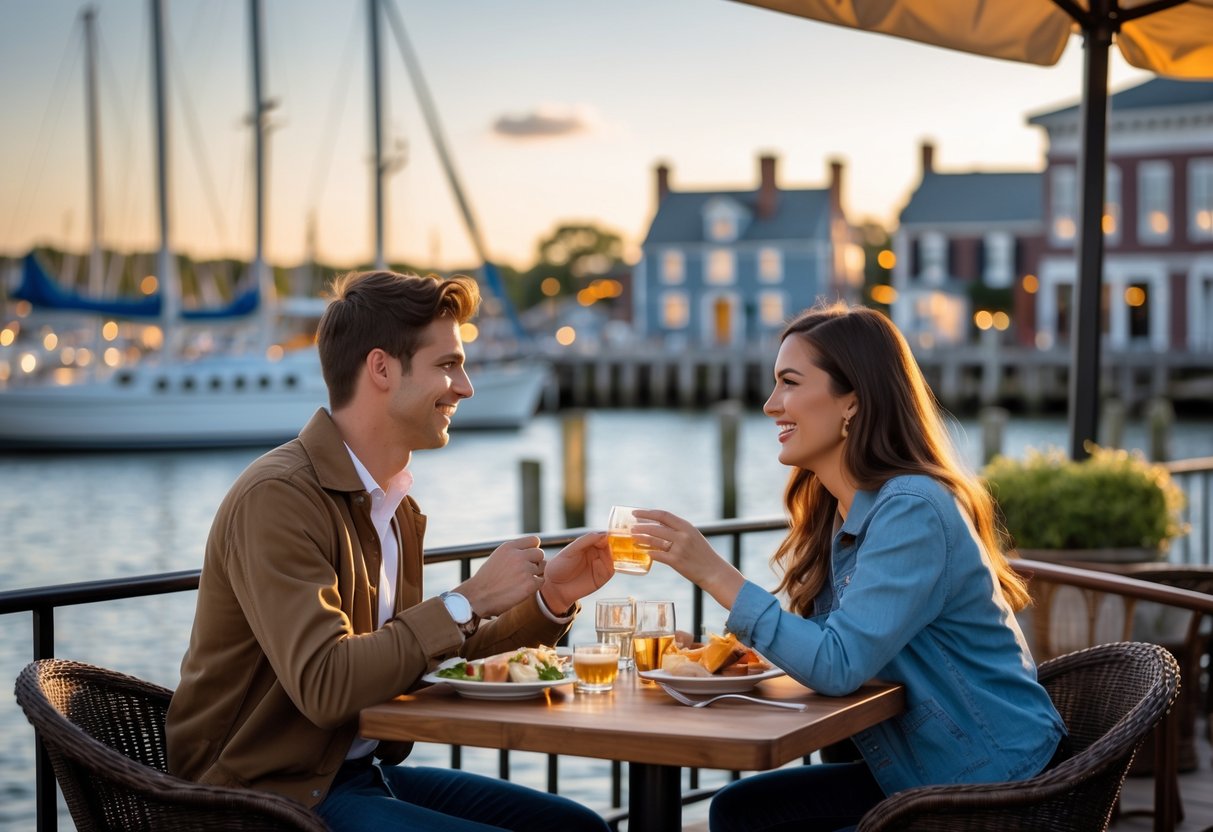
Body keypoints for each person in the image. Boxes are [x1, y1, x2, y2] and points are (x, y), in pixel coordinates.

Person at [166, 269, 614, 832]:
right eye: (447, 365)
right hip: (259, 798)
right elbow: (327, 685)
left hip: (346, 776)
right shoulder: (277, 498)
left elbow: (427, 665)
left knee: (580, 828)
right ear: (381, 368)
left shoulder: (392, 505)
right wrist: (466, 600)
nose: (466, 387)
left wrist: (549, 598)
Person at [636, 303, 1066, 832]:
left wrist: (713, 573)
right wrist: (729, 654)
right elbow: (839, 639)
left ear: (853, 404)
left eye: (789, 383)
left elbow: (837, 666)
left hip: (994, 787)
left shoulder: (912, 509)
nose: (771, 405)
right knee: (738, 810)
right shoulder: (842, 507)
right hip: (920, 771)